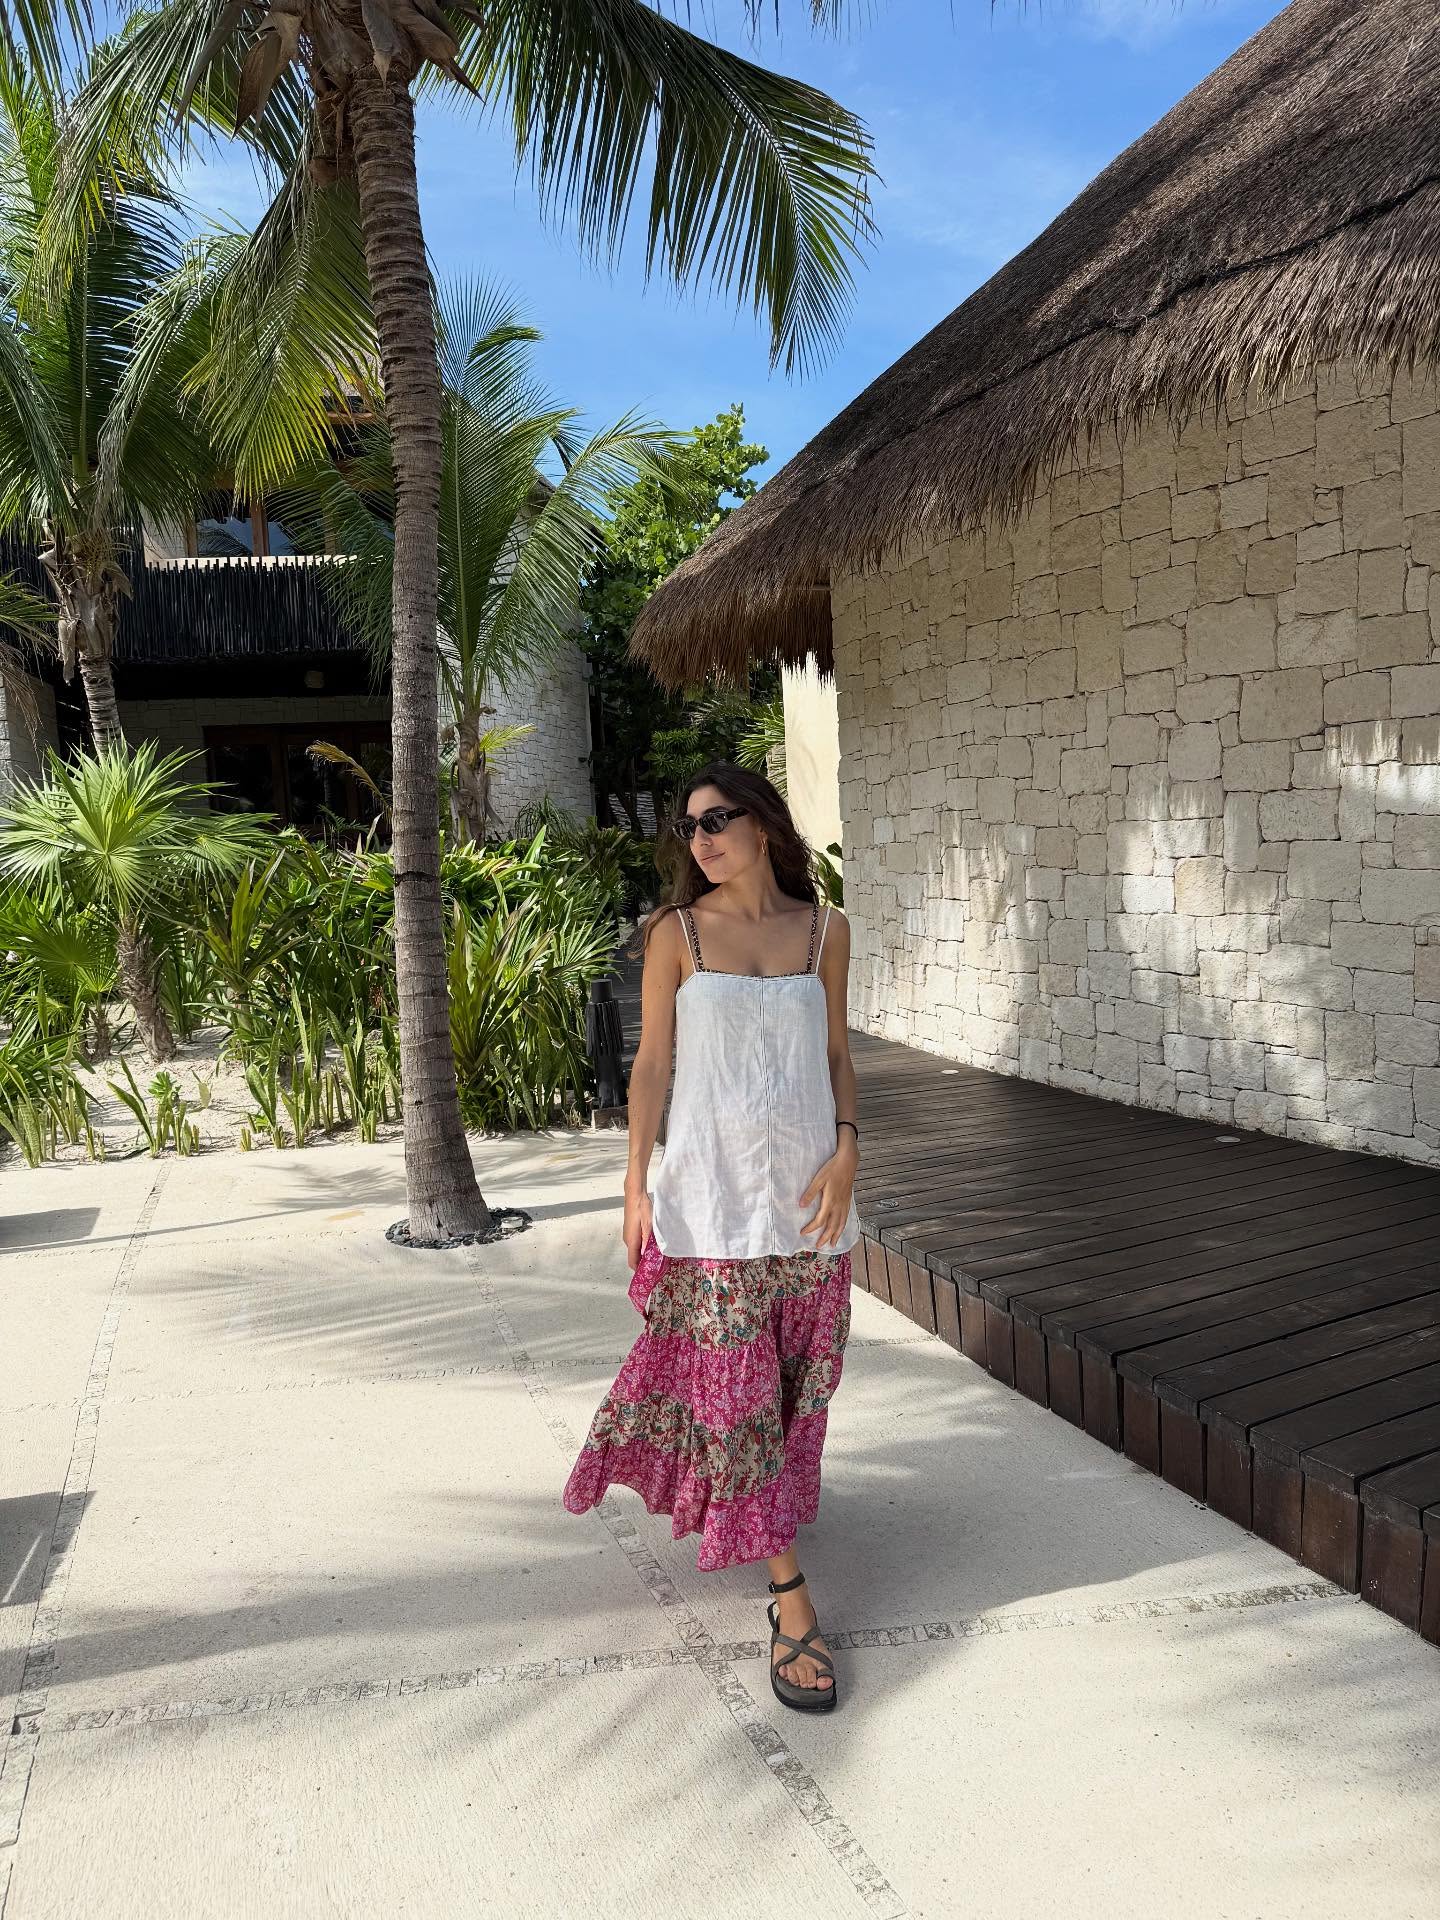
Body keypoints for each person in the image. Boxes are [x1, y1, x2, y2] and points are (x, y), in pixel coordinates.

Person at [562, 762, 861, 1712]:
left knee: (794, 1390)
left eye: (718, 818)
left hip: (809, 1205)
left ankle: (758, 1508)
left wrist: (850, 1146)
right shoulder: (676, 933)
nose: (701, 838)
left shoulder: (825, 931)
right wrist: (633, 1180)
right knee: (737, 1397)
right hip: (714, 1202)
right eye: (689, 826)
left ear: (763, 824)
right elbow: (652, 1062)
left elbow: (837, 1053)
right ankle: (789, 1597)